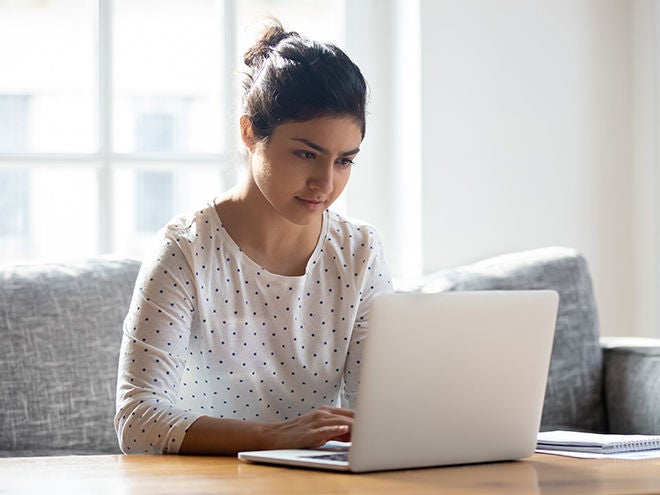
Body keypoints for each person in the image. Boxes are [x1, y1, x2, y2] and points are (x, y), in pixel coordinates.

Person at [114, 19, 393, 455]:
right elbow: (137, 421)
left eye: (344, 161)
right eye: (306, 154)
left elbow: (378, 416)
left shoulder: (360, 252)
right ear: (249, 133)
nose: (325, 183)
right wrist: (272, 437)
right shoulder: (185, 249)